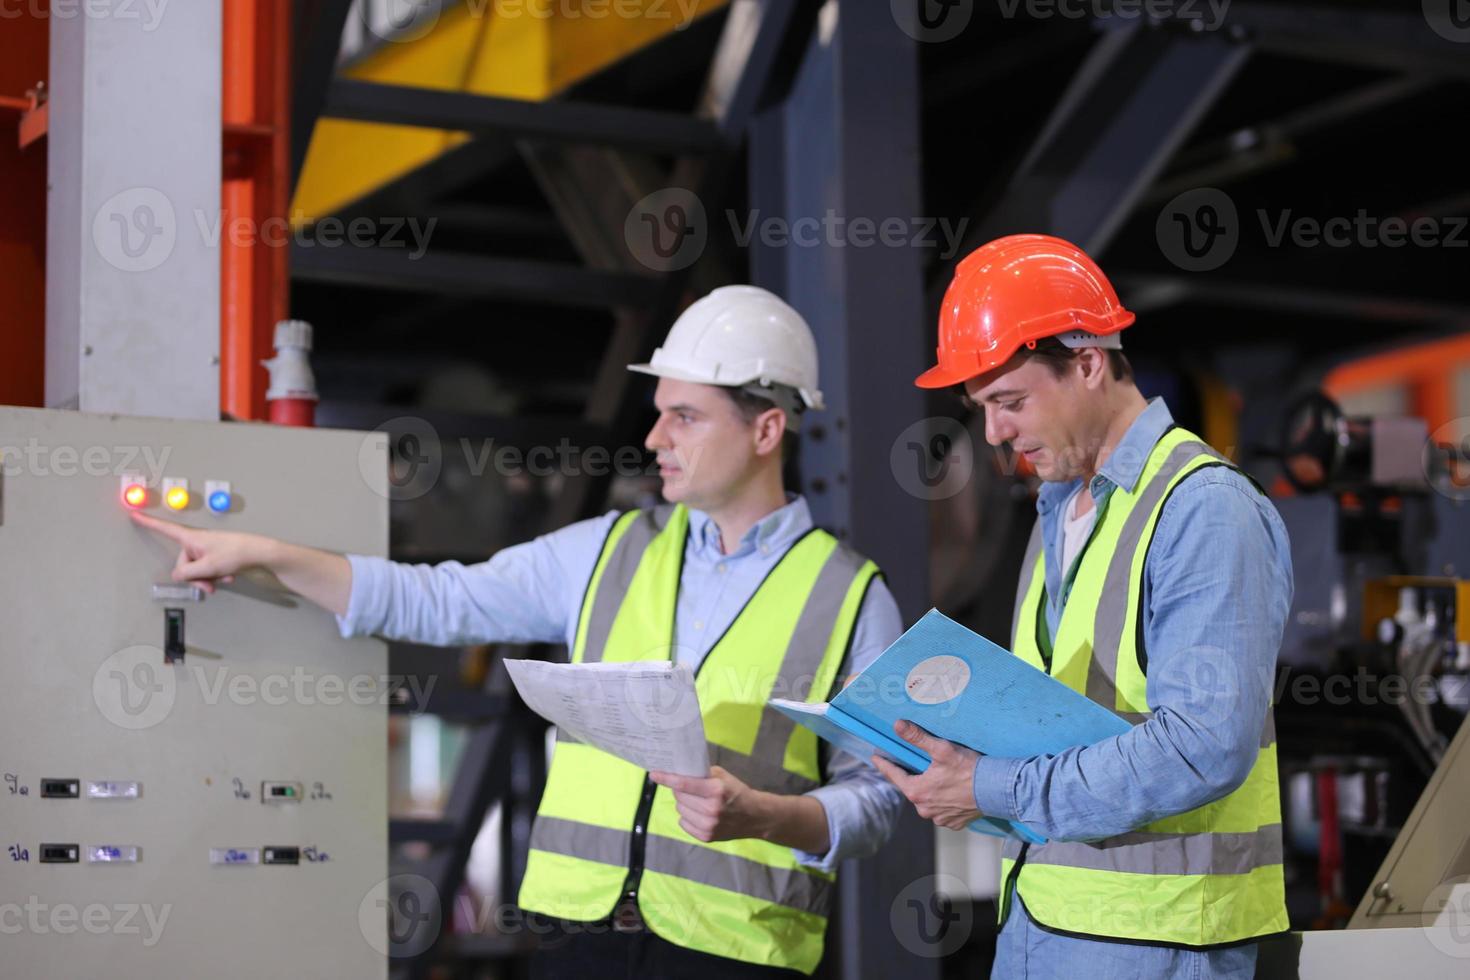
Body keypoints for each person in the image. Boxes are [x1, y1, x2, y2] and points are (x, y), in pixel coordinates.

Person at [132, 285, 903, 979]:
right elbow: (436, 600)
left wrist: (768, 815)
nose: (656, 439)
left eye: (686, 417)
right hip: (577, 940)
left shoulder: (850, 598)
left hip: (737, 956)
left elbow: (880, 797)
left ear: (767, 429)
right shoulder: (606, 550)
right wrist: (266, 555)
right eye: (660, 411)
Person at [872, 234, 1291, 979]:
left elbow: (1204, 746)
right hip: (1041, 921)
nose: (994, 432)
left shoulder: (1203, 510)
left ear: (1090, 361)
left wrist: (986, 785)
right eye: (982, 407)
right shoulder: (1059, 510)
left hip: (1160, 942)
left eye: (1009, 401)